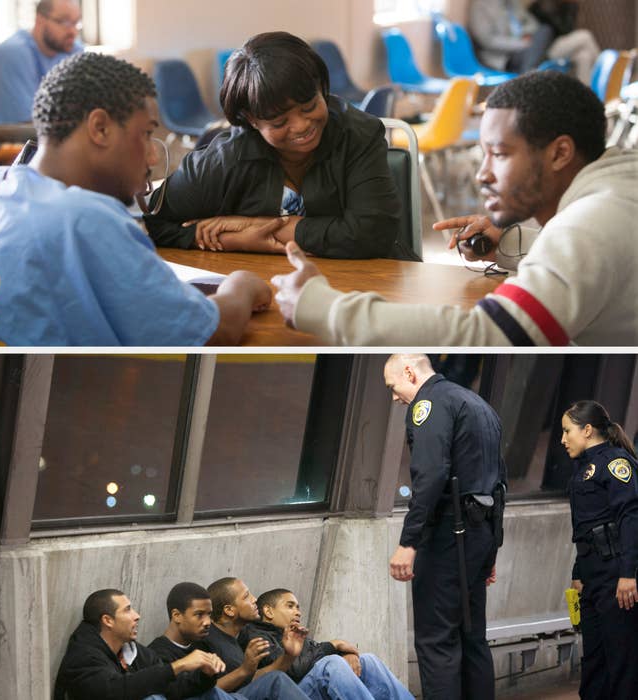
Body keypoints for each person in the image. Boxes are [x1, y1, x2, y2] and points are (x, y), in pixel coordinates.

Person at [272, 71, 638, 346]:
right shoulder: (617, 189)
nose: (483, 174)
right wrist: (516, 243)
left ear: (560, 153)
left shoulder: (587, 225)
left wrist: (325, 308)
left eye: (500, 154)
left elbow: (493, 335)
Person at [0, 52, 271, 346]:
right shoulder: (87, 219)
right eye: (145, 134)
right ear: (100, 128)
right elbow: (217, 332)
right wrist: (241, 285)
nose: (153, 158)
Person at [144, 31, 402, 260]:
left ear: (321, 88)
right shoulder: (226, 157)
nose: (301, 125)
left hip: (362, 286)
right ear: (251, 121)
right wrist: (234, 239)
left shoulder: (359, 134)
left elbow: (372, 234)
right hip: (267, 287)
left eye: (310, 106)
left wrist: (255, 226)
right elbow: (154, 222)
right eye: (279, 121)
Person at [385, 354, 506, 700]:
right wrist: (492, 548)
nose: (394, 397)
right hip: (480, 536)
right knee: (473, 639)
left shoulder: (429, 404)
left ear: (409, 372)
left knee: (436, 641)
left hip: (448, 537)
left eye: (393, 387)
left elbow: (430, 476)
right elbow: (500, 483)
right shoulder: (479, 404)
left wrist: (409, 543)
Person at [561, 400, 638, 699]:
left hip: (617, 576)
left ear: (588, 430)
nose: (563, 439)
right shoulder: (581, 471)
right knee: (594, 661)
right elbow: (584, 528)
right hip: (593, 578)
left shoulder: (616, 464)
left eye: (568, 431)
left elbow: (631, 518)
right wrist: (578, 572)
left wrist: (628, 574)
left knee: (623, 662)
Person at [0, 0, 83, 149]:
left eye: (76, 23)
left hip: (36, 128)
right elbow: (16, 128)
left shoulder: (73, 50)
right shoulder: (12, 54)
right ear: (39, 20)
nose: (73, 32)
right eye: (64, 22)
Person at [239, 587, 415, 700]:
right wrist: (333, 645)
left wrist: (347, 654)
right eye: (290, 606)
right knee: (331, 665)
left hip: (311, 688)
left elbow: (313, 656)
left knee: (367, 661)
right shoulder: (256, 634)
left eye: (298, 607)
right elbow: (293, 669)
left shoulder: (293, 633)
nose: (298, 612)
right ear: (268, 611)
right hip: (291, 694)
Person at [53, 588, 228, 700]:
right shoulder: (83, 656)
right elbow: (116, 691)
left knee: (213, 694)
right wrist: (178, 666)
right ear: (108, 620)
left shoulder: (133, 651)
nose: (137, 615)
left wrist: (205, 674)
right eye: (127, 610)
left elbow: (174, 689)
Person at [201, 577, 312, 700]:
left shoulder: (237, 639)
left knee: (276, 677)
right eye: (246, 596)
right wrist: (243, 670)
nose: (254, 600)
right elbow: (202, 693)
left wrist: (289, 656)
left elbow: (253, 680)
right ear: (229, 610)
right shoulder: (205, 638)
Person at [147, 582, 248, 700]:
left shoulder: (204, 646)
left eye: (209, 614)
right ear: (177, 615)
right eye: (199, 614)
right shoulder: (156, 654)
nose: (207, 622)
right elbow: (174, 691)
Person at [469, 0, 599, 84]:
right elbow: (487, 40)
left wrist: (530, 35)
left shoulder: (511, 3)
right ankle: (528, 75)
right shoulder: (480, 5)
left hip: (537, 48)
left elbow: (530, 23)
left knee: (584, 53)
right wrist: (521, 43)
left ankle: (591, 102)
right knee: (547, 31)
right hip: (510, 56)